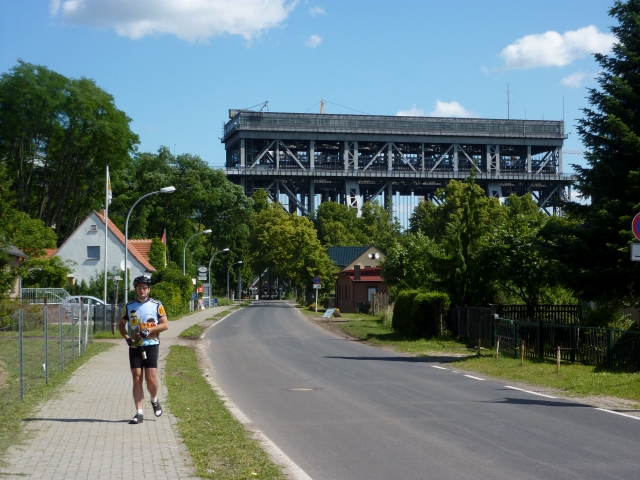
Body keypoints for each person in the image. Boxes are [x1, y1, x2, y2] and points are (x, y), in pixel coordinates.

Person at [119, 275, 168, 425]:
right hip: (135, 345)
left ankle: (154, 400)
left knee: (151, 378)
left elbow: (165, 325)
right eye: (139, 287)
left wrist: (149, 330)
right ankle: (139, 412)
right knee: (137, 377)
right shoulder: (129, 306)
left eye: (145, 287)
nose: (142, 290)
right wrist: (127, 337)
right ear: (135, 289)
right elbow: (121, 325)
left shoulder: (156, 304)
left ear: (149, 289)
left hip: (151, 344)